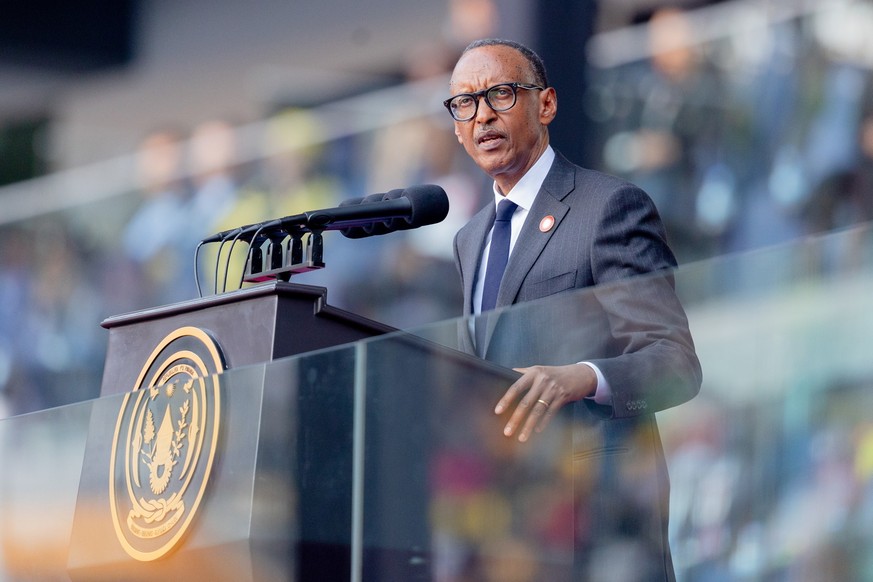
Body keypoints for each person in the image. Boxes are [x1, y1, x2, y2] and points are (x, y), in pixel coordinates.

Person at [445, 38, 702, 580]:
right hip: (512, 538)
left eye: (501, 93)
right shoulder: (470, 240)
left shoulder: (607, 207)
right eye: (464, 103)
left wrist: (581, 377)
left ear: (547, 105)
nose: (482, 114)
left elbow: (675, 362)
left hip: (599, 521)